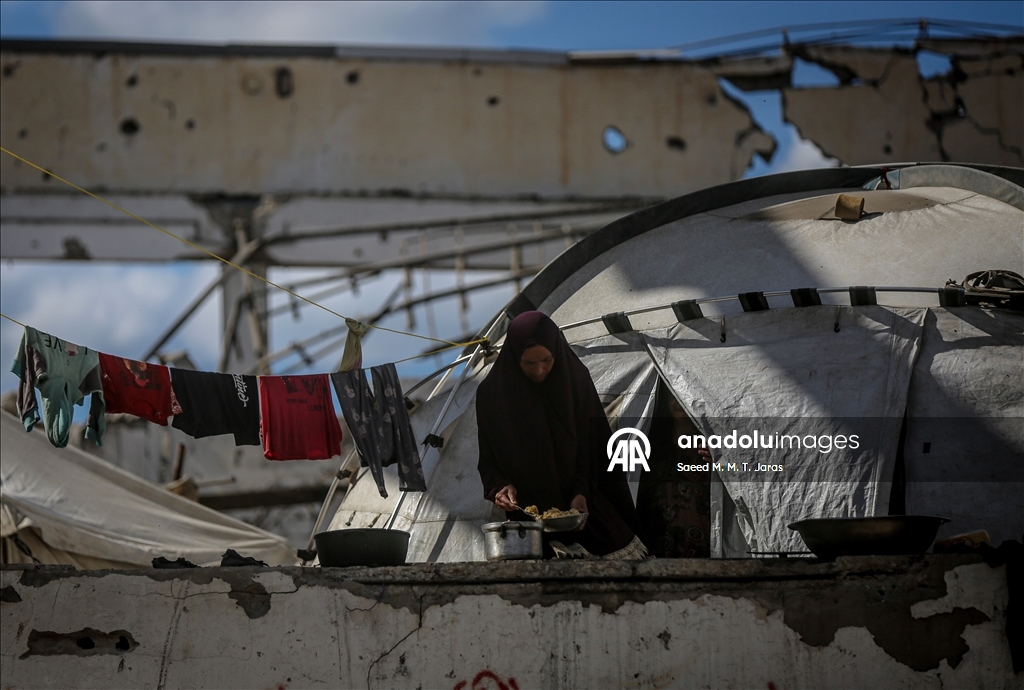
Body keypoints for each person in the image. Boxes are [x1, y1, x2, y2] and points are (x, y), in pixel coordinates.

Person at [475, 311, 646, 559]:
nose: (539, 370)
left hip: (582, 508)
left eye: (547, 360)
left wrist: (581, 492)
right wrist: (499, 488)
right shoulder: (493, 395)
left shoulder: (574, 380)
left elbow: (593, 447)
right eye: (528, 363)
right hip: (529, 517)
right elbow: (489, 460)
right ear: (513, 357)